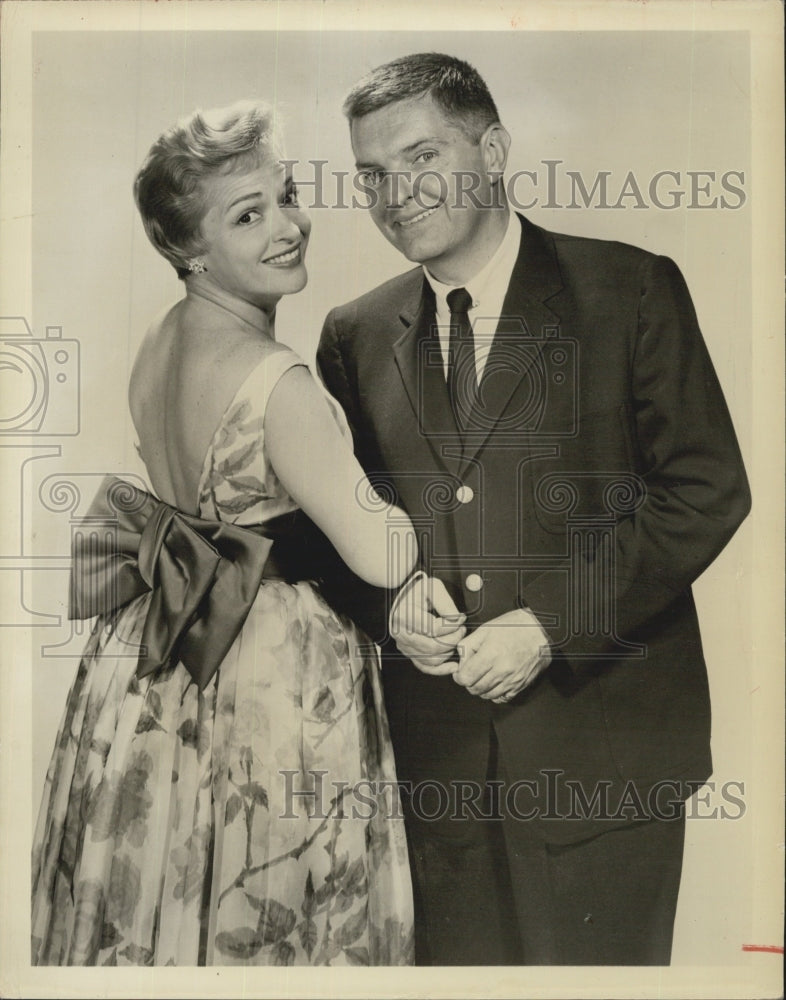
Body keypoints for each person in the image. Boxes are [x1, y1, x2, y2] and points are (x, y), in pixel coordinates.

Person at [316, 53, 751, 966]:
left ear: (496, 149)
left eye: (423, 157)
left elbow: (705, 489)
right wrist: (390, 607)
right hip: (436, 779)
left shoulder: (630, 290)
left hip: (602, 765)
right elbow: (337, 529)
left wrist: (550, 625)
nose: (398, 194)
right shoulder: (353, 334)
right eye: (372, 176)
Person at [31, 99, 417, 967]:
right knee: (269, 906)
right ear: (188, 250)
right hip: (265, 673)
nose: (288, 227)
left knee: (169, 884)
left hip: (148, 663)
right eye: (250, 215)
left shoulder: (158, 344)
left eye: (286, 195)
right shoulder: (278, 381)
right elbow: (381, 553)